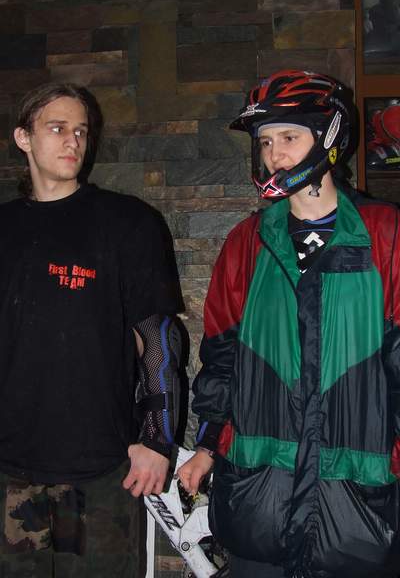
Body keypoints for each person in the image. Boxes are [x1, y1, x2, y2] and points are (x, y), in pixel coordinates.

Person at [178, 69, 400, 578]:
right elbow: (223, 357)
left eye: (289, 137)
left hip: (359, 501)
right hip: (261, 497)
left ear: (329, 137)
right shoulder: (247, 241)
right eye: (265, 141)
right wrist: (208, 445)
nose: (274, 154)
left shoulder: (386, 233)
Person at [0, 83, 183, 577]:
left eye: (81, 131)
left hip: (100, 471)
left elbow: (159, 336)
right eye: (57, 128)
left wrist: (158, 440)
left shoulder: (128, 223)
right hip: (9, 472)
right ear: (23, 138)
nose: (73, 141)